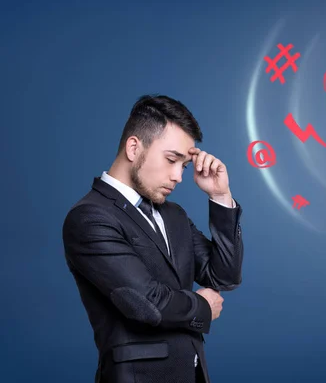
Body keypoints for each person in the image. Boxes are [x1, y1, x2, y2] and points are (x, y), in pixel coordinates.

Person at [62, 94, 244, 383]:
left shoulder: (174, 214)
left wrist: (220, 197)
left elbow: (224, 277)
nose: (178, 177)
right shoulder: (89, 218)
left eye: (184, 166)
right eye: (171, 160)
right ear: (134, 147)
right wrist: (202, 307)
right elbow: (146, 304)